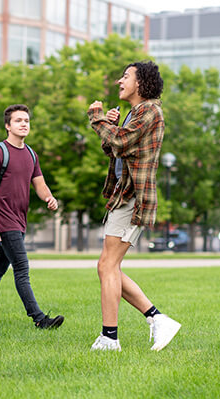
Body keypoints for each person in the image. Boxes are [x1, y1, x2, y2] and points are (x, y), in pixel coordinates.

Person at [87, 61, 181, 352]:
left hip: (132, 197)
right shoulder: (135, 113)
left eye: (125, 76)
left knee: (107, 265)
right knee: (108, 267)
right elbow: (114, 147)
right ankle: (157, 319)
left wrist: (97, 118)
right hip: (122, 195)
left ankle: (110, 338)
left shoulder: (151, 111)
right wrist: (110, 125)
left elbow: (121, 140)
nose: (119, 81)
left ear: (141, 82)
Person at [0, 104, 64, 329]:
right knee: (21, 267)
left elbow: (40, 184)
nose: (24, 124)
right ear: (8, 126)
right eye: (18, 120)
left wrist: (50, 198)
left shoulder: (31, 154)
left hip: (20, 219)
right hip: (4, 219)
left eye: (26, 121)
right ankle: (40, 319)